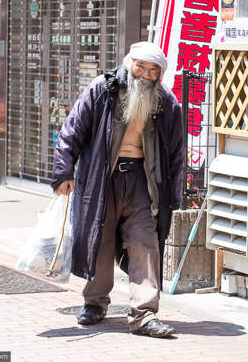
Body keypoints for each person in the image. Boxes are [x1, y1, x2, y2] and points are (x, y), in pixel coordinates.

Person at [52, 42, 184, 338]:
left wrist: (173, 194)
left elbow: (176, 151)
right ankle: (95, 302)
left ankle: (144, 314)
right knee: (101, 241)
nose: (146, 75)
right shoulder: (103, 88)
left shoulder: (165, 101)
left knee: (145, 243)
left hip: (142, 180)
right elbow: (71, 130)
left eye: (153, 70)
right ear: (129, 63)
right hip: (103, 178)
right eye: (141, 66)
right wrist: (63, 171)